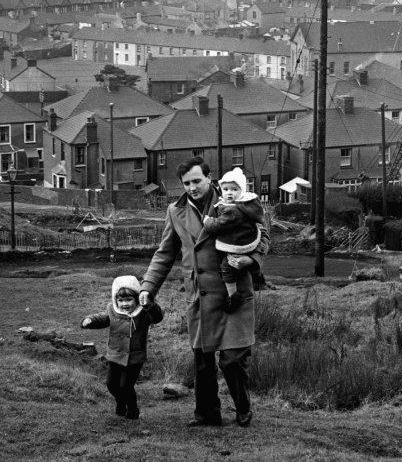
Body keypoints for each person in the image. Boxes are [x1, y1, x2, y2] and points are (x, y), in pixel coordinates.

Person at [139, 156, 269, 428]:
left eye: (197, 181)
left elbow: (263, 235)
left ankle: (243, 408)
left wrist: (252, 260)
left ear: (210, 178)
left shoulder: (235, 200)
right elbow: (165, 254)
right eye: (186, 183)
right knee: (203, 359)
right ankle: (207, 415)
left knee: (233, 359)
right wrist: (148, 287)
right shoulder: (175, 211)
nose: (192, 187)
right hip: (199, 295)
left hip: (232, 292)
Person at [81, 275, 164, 420]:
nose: (124, 304)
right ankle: (120, 402)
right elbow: (102, 318)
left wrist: (151, 305)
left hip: (135, 358)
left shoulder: (144, 313)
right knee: (112, 385)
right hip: (115, 355)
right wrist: (90, 320)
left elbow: (157, 317)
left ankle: (132, 409)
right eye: (120, 300)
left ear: (137, 298)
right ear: (115, 299)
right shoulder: (112, 310)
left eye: (128, 299)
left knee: (126, 386)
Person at [202, 167, 265, 314]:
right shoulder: (246, 205)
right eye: (226, 189)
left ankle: (233, 296)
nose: (229, 193)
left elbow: (220, 224)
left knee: (227, 268)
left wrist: (207, 221)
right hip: (243, 241)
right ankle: (258, 278)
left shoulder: (233, 209)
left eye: (234, 189)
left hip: (238, 245)